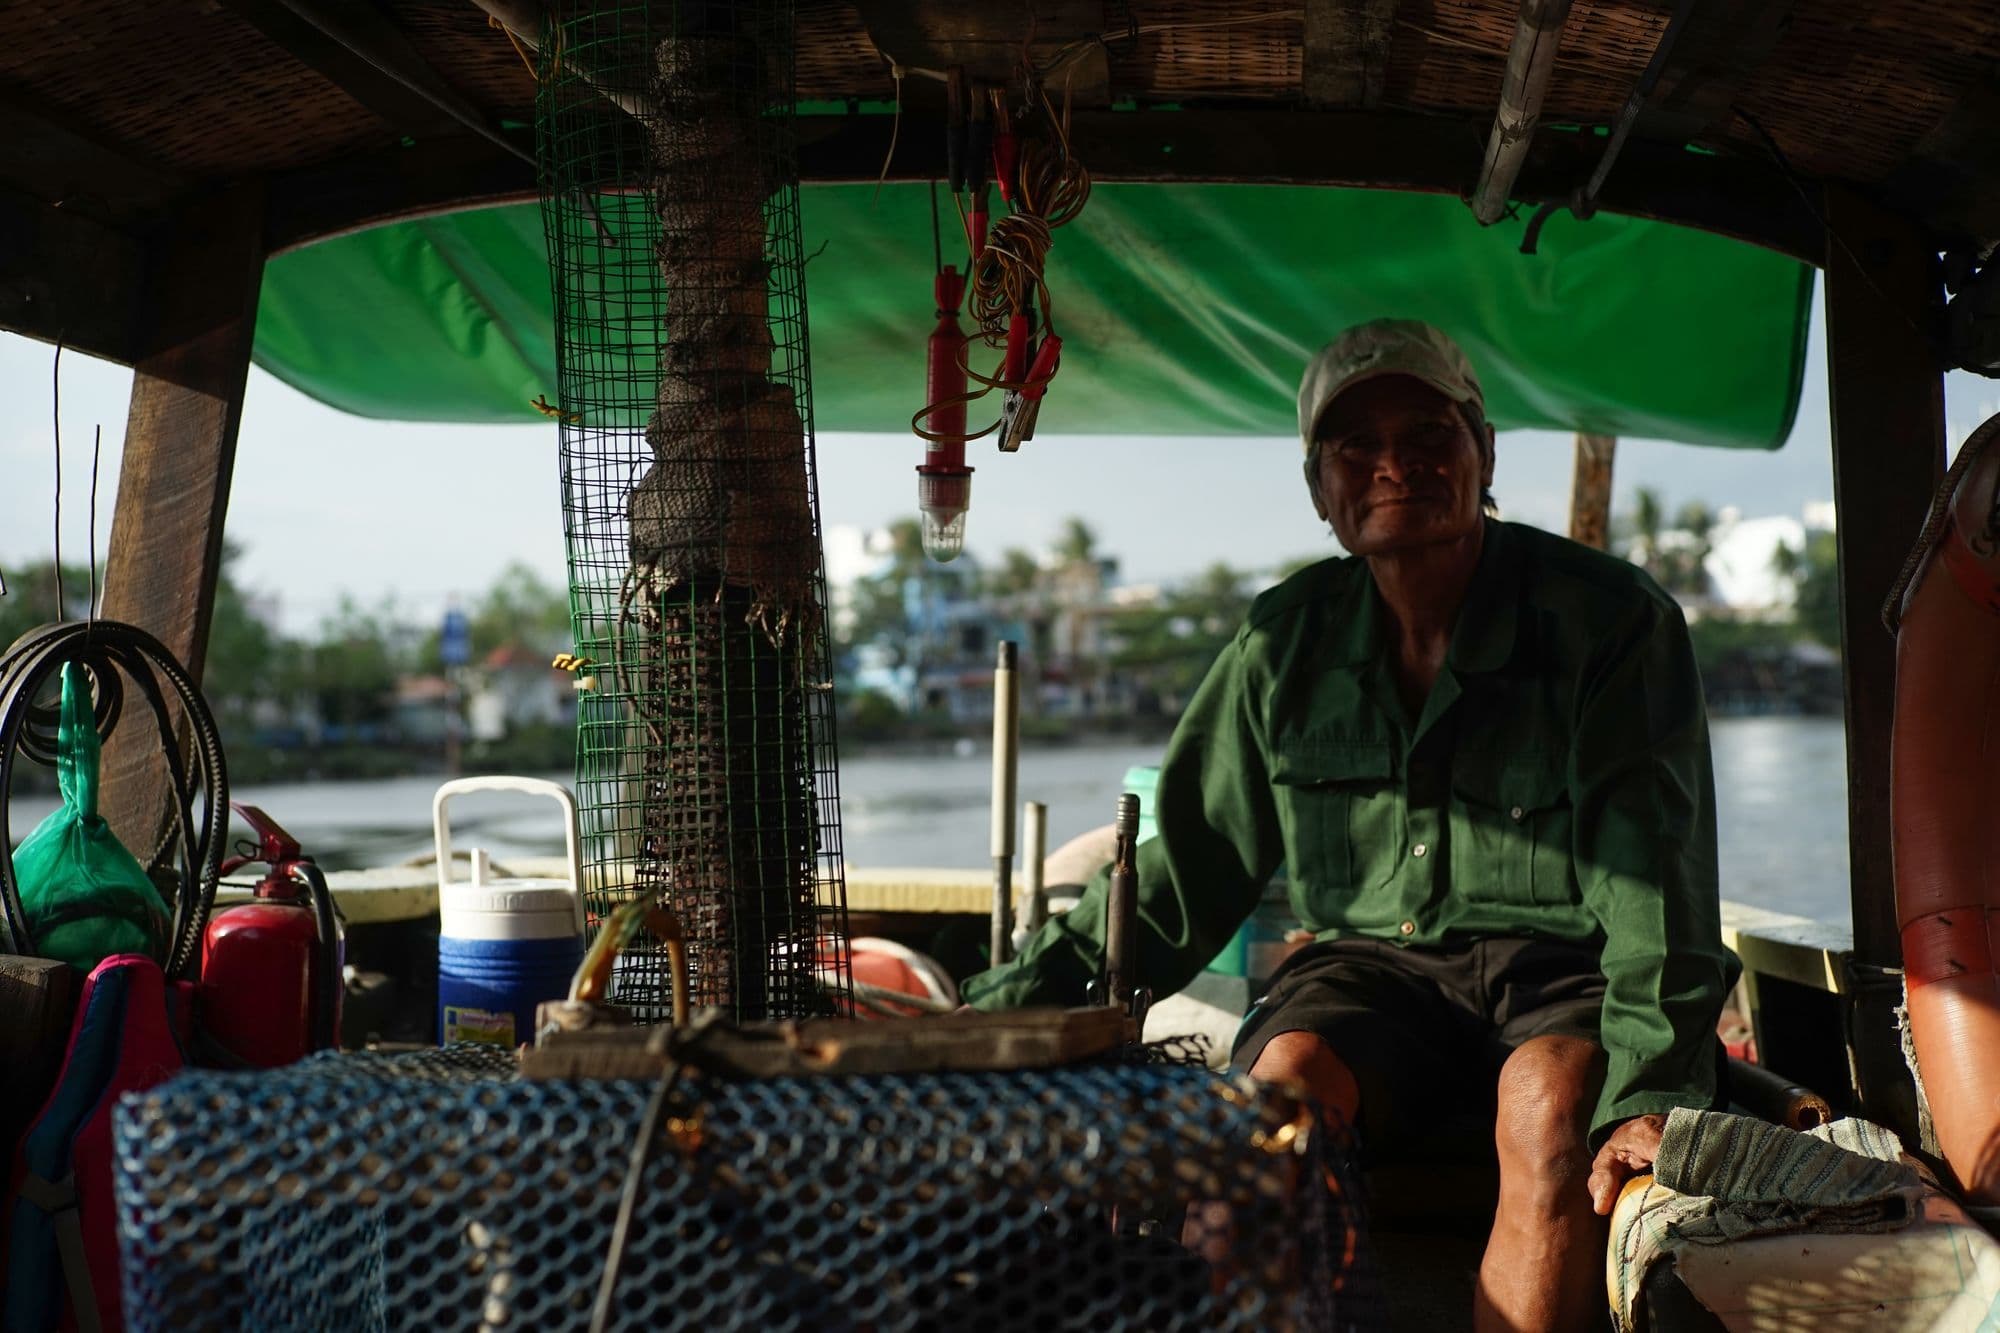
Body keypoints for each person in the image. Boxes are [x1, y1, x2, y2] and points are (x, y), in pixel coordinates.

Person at [960, 318, 1735, 1330]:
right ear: (1319, 489)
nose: (1391, 466)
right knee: (1271, 1103)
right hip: (1372, 972)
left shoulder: (1606, 622)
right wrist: (997, 1010)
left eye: (1426, 434)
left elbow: (1653, 880)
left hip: (1565, 974)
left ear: (1482, 451)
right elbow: (1187, 864)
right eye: (1353, 447)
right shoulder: (1282, 642)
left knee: (1546, 1107)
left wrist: (1651, 1087)